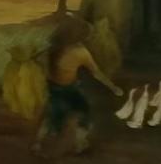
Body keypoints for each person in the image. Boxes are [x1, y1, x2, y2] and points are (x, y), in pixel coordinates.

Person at [35, 15, 122, 155]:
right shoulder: (80, 52)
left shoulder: (55, 48)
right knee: (67, 117)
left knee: (54, 117)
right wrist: (112, 87)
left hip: (58, 88)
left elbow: (41, 61)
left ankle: (44, 144)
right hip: (66, 89)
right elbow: (96, 73)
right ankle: (71, 144)